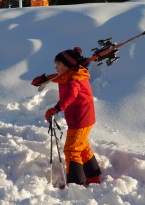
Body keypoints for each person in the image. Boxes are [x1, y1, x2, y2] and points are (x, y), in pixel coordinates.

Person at [32, 47, 101, 185]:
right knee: (82, 146)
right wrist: (44, 78)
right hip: (84, 118)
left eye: (58, 64)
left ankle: (76, 184)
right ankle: (93, 177)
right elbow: (56, 78)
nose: (55, 66)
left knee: (71, 150)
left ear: (68, 65)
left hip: (79, 119)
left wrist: (56, 109)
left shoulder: (73, 80)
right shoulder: (72, 74)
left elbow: (71, 96)